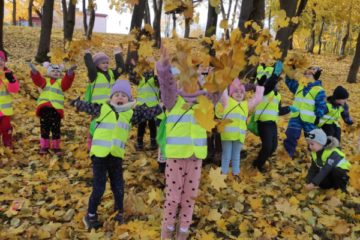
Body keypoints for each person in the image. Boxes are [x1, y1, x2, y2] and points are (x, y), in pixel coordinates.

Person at [70, 80, 162, 230]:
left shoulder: (131, 114)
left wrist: (161, 107)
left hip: (116, 156)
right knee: (99, 188)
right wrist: (76, 103)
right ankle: (91, 215)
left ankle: (119, 212)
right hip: (99, 156)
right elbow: (88, 107)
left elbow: (147, 113)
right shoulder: (102, 108)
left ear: (129, 99)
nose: (120, 97)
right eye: (117, 95)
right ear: (111, 97)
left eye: (124, 95)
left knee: (118, 186)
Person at [157, 46, 221, 240]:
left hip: (196, 159)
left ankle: (183, 232)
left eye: (194, 80)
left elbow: (218, 89)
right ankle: (167, 231)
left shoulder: (205, 102)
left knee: (189, 198)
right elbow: (166, 85)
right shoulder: (173, 101)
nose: (190, 84)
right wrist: (163, 67)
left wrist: (223, 72)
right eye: (186, 80)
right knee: (173, 197)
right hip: (176, 157)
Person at [217, 78, 264, 178]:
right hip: (227, 135)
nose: (239, 94)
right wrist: (224, 78)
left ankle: (236, 173)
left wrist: (259, 87)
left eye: (241, 92)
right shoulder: (227, 102)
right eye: (236, 92)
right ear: (231, 94)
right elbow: (223, 91)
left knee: (236, 155)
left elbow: (257, 99)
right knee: (226, 155)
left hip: (239, 136)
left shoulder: (245, 105)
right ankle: (224, 173)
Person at [252, 61, 294, 172]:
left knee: (273, 147)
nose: (276, 83)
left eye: (277, 81)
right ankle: (257, 165)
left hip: (272, 124)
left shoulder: (277, 95)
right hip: (263, 123)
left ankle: (259, 161)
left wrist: (289, 108)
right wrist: (275, 75)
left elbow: (278, 110)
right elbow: (269, 85)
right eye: (276, 81)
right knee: (267, 147)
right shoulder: (263, 90)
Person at [29, 62, 76, 155]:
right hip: (44, 109)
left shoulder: (60, 83)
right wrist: (34, 72)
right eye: (53, 71)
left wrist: (69, 73)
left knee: (56, 129)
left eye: (58, 72)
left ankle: (56, 147)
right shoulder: (45, 81)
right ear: (48, 72)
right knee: (44, 128)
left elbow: (66, 83)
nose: (55, 73)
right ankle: (44, 146)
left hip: (56, 110)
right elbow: (38, 80)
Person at [83, 48, 124, 149]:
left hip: (110, 106)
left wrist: (117, 54)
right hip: (97, 107)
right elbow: (90, 67)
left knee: (110, 125)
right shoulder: (94, 75)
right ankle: (91, 142)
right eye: (102, 63)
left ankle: (106, 142)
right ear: (96, 64)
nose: (106, 65)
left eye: (107, 62)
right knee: (95, 125)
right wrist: (87, 54)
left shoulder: (111, 73)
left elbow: (121, 68)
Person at [283, 66, 327, 158]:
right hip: (296, 117)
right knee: (290, 135)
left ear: (315, 76)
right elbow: (289, 81)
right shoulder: (299, 85)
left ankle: (314, 158)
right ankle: (286, 156)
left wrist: (318, 116)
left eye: (309, 74)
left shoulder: (319, 90)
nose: (306, 75)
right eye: (305, 73)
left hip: (310, 120)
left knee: (312, 140)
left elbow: (321, 105)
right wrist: (290, 70)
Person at [135, 70, 160, 150]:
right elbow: (133, 79)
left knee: (152, 124)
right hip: (141, 104)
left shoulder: (155, 76)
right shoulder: (139, 75)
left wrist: (156, 75)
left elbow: (159, 84)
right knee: (141, 124)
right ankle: (139, 141)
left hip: (152, 105)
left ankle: (153, 141)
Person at [0, 50, 19, 149]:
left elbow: (15, 90)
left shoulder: (8, 74)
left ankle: (7, 141)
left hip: (5, 110)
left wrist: (11, 80)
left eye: (1, 59)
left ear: (4, 61)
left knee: (6, 127)